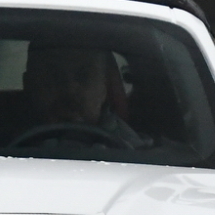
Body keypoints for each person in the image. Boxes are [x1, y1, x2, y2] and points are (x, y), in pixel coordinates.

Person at [15, 43, 147, 148]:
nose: (69, 89)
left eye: (84, 76)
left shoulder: (140, 152)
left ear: (104, 89)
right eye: (54, 76)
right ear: (29, 84)